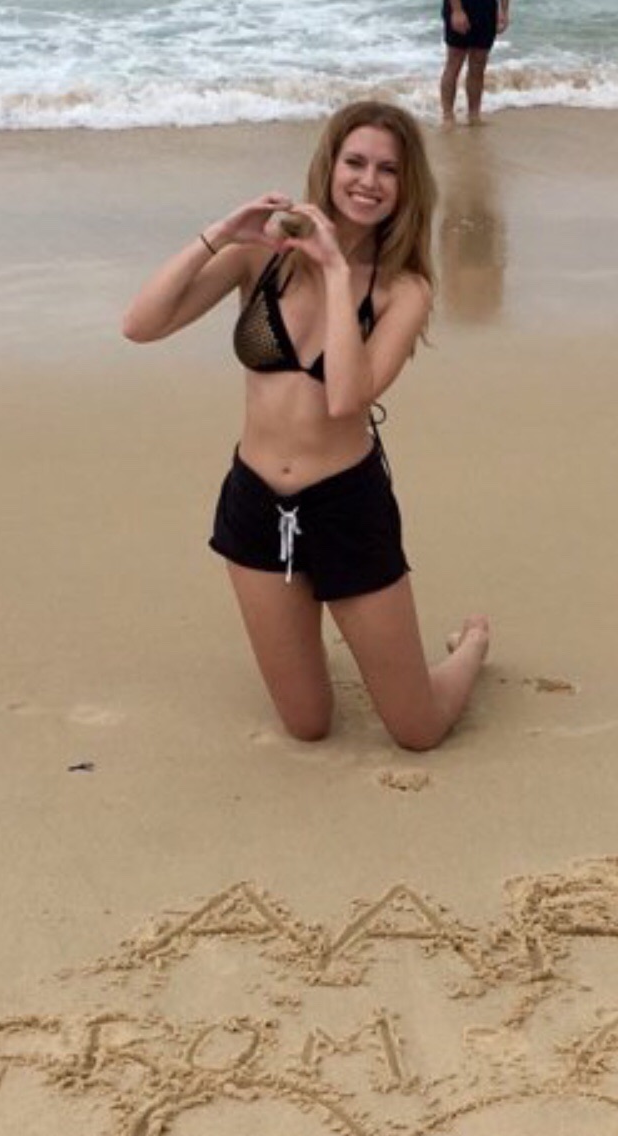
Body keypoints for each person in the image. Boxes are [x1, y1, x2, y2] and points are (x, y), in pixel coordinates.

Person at [123, 100, 489, 751]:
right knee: (308, 724)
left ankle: (472, 647)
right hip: (256, 504)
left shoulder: (403, 290)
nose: (368, 181)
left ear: (407, 186)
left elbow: (346, 397)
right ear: (330, 165)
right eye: (355, 162)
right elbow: (141, 325)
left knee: (418, 729)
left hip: (346, 507)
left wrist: (337, 268)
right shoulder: (261, 258)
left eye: (388, 170)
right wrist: (223, 232)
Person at [440, 0, 510, 125]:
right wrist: (457, 10)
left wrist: (504, 11)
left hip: (487, 8)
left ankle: (474, 114)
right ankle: (448, 115)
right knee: (454, 61)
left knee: (478, 64)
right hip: (462, 6)